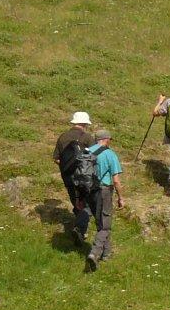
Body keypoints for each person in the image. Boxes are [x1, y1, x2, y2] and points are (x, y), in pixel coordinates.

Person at [53, 111, 95, 243]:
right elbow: (96, 156)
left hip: (67, 176)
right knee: (87, 203)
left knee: (76, 201)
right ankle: (80, 228)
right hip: (84, 177)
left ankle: (80, 230)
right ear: (84, 124)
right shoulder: (87, 137)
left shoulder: (63, 137)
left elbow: (56, 159)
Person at [86, 127, 124, 270]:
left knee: (100, 222)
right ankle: (94, 253)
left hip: (89, 191)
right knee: (106, 224)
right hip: (104, 191)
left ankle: (106, 254)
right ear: (106, 139)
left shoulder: (87, 151)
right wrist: (121, 197)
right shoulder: (109, 154)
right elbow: (116, 180)